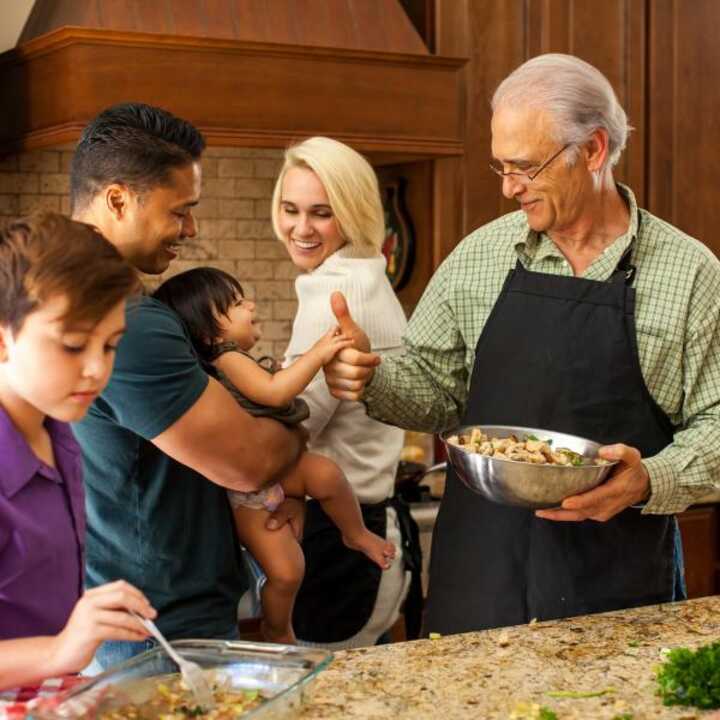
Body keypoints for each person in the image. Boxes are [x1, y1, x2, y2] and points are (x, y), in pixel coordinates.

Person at [323, 54, 720, 635]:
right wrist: (371, 376)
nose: (510, 188)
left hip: (621, 591)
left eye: (526, 167)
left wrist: (651, 479)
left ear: (593, 150)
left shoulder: (689, 274)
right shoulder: (478, 256)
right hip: (479, 580)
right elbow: (435, 392)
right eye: (501, 166)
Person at [69, 103, 306, 670]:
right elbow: (248, 463)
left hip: (127, 616)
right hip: (163, 632)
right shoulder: (127, 321)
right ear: (119, 199)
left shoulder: (63, 298)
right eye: (181, 212)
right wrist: (298, 423)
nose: (191, 230)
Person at [153, 267, 395, 644]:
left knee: (327, 476)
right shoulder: (226, 358)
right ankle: (277, 627)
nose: (249, 304)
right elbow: (276, 394)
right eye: (235, 304)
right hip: (243, 497)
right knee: (287, 570)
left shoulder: (236, 361)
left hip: (275, 474)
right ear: (207, 333)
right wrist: (320, 352)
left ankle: (355, 533)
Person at [0, 213, 155, 690]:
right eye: (72, 345)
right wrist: (59, 648)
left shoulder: (59, 429)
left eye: (109, 346)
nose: (95, 369)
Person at [271, 137, 411, 649]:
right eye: (290, 209)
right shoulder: (364, 275)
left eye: (321, 214)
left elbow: (288, 431)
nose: (300, 228)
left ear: (351, 214)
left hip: (344, 542)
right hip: (360, 531)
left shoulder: (338, 293)